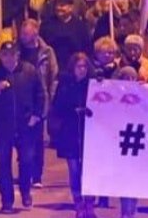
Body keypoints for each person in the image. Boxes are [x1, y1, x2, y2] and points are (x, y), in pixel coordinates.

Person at [0, 41, 45, 214]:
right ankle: (7, 200)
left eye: (12, 54)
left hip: (26, 125)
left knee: (27, 160)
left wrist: (36, 115)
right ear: (0, 56)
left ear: (18, 55)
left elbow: (40, 94)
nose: (8, 58)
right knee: (3, 163)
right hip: (3, 127)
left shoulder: (29, 71)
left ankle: (25, 190)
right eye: (4, 55)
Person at [50, 52, 95, 218]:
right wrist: (71, 110)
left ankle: (90, 203)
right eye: (79, 66)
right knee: (74, 169)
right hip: (70, 132)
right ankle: (78, 203)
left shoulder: (92, 85)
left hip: (88, 132)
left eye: (84, 66)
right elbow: (57, 107)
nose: (82, 70)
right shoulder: (65, 85)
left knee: (88, 169)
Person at [17, 19, 59, 188]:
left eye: (26, 34)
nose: (23, 37)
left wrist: (51, 97)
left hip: (40, 99)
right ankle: (24, 172)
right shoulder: (17, 50)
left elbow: (54, 76)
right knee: (21, 139)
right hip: (21, 99)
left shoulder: (46, 52)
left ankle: (37, 175)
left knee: (37, 139)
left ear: (35, 33)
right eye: (22, 33)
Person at [40, 0, 92, 70]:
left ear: (71, 7)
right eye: (56, 5)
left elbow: (87, 48)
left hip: (74, 68)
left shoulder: (80, 26)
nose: (58, 8)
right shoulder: (46, 25)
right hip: (52, 66)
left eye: (62, 5)